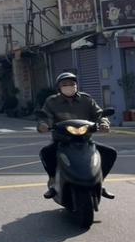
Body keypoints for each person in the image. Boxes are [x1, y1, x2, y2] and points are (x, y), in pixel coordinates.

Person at [37, 72, 116, 200]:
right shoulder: (52, 101)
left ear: (76, 85)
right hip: (61, 140)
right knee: (46, 152)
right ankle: (53, 183)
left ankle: (100, 182)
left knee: (110, 153)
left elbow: (99, 114)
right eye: (65, 84)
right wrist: (43, 125)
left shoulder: (86, 100)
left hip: (85, 140)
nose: (69, 86)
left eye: (72, 84)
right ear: (59, 87)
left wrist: (104, 124)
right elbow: (45, 117)